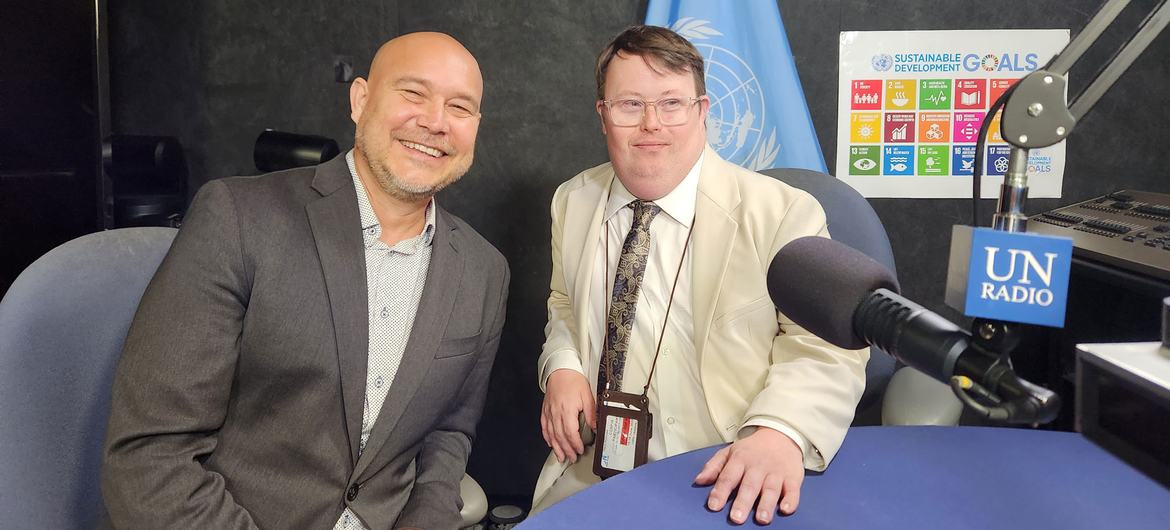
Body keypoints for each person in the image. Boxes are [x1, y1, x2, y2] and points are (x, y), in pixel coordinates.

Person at [101, 32, 509, 530]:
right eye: (413, 93)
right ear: (360, 100)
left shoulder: (485, 272)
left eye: (460, 107)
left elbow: (448, 437)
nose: (435, 121)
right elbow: (151, 456)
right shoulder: (237, 218)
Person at [532, 25, 866, 525]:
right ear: (603, 116)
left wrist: (778, 432)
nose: (652, 124)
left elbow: (826, 347)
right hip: (598, 467)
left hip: (729, 463)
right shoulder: (573, 201)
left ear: (703, 111)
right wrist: (562, 364)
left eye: (672, 103)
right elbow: (563, 302)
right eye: (629, 105)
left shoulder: (783, 213)